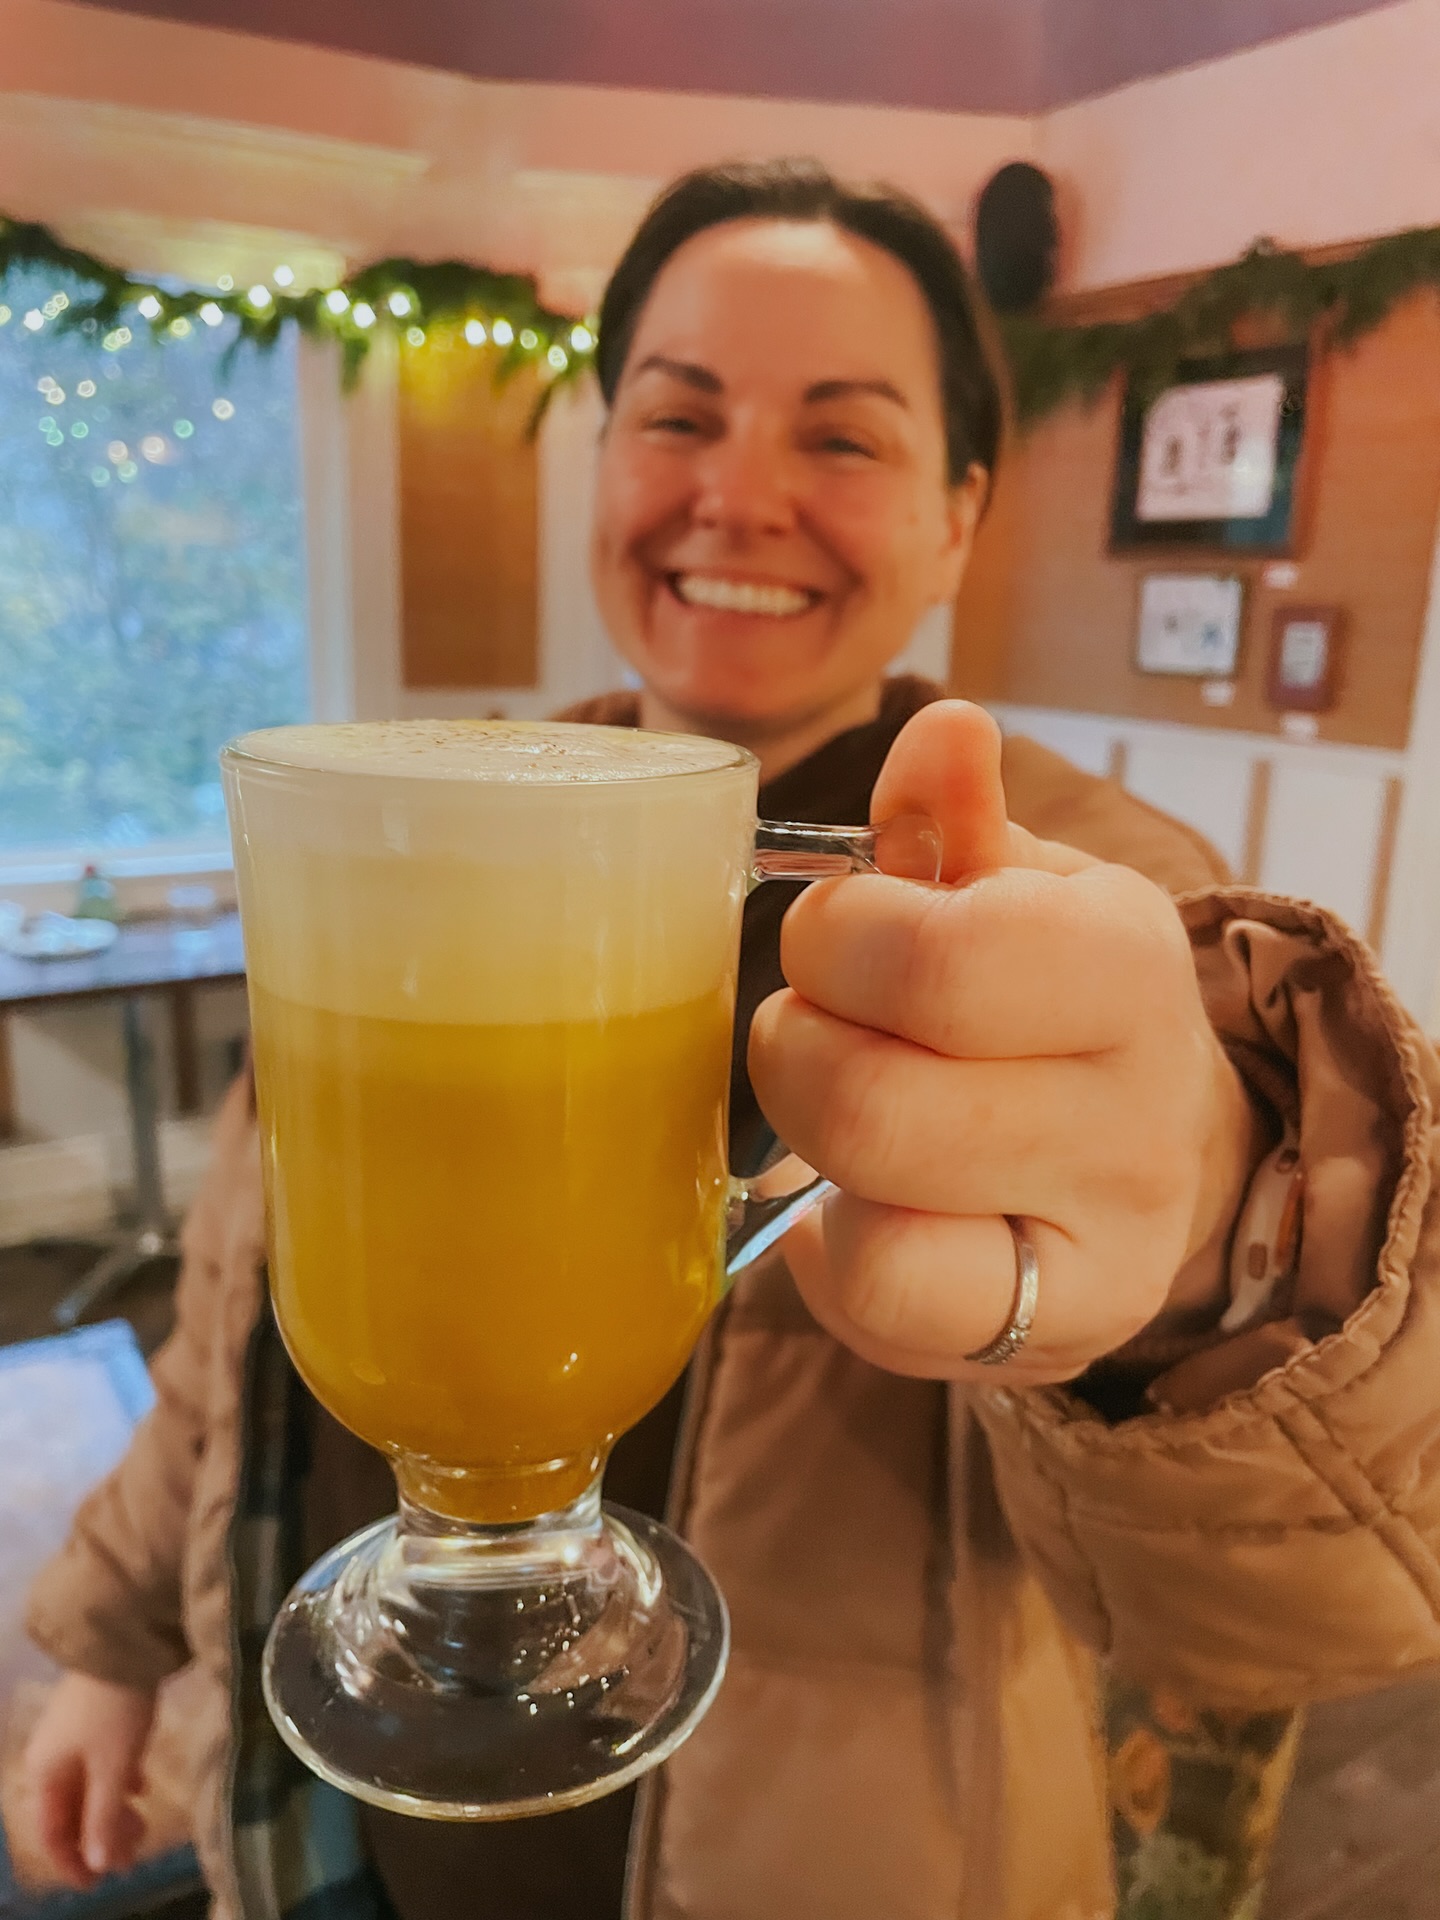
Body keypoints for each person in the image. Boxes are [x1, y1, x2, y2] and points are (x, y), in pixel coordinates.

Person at [17, 159, 1440, 1920]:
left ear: (959, 514)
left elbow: (1312, 1604)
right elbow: (238, 1295)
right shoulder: (402, 830)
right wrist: (110, 1638)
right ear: (607, 462)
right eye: (677, 415)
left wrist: (1200, 1247)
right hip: (318, 1828)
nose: (741, 494)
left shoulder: (1095, 900)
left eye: (842, 439)